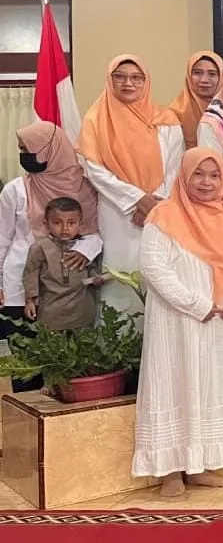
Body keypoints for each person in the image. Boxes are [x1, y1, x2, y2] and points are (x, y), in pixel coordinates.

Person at [131, 147, 223, 498]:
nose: (206, 182)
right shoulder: (164, 214)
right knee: (173, 385)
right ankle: (169, 470)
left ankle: (199, 465)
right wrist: (197, 304)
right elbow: (153, 268)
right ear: (184, 176)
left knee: (209, 387)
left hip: (215, 323)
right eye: (198, 174)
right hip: (175, 322)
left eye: (214, 175)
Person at [76, 55, 184, 316]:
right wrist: (136, 198)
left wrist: (152, 203)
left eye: (136, 78)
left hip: (159, 208)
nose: (128, 83)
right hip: (116, 210)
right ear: (109, 80)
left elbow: (176, 165)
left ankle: (154, 334)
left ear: (146, 82)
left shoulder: (165, 119)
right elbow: (94, 169)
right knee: (118, 272)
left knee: (156, 268)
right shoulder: (96, 119)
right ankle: (117, 337)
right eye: (120, 77)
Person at [1, 123, 102, 390]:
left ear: (50, 149)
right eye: (21, 150)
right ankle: (27, 413)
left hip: (67, 295)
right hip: (18, 289)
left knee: (71, 367)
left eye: (29, 150)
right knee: (26, 367)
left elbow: (95, 232)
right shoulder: (15, 190)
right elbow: (1, 239)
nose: (24, 156)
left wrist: (84, 251)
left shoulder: (83, 189)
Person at [22, 197, 103, 331]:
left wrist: (96, 278)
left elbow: (91, 269)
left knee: (83, 341)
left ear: (80, 224)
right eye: (57, 223)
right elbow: (30, 274)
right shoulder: (40, 247)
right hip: (51, 308)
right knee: (51, 342)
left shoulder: (85, 247)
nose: (65, 228)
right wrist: (30, 301)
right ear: (46, 223)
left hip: (81, 309)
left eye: (71, 223)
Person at [167, 51, 223, 149]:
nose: (204, 80)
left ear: (222, 77)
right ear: (189, 76)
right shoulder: (175, 113)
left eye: (212, 74)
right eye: (197, 73)